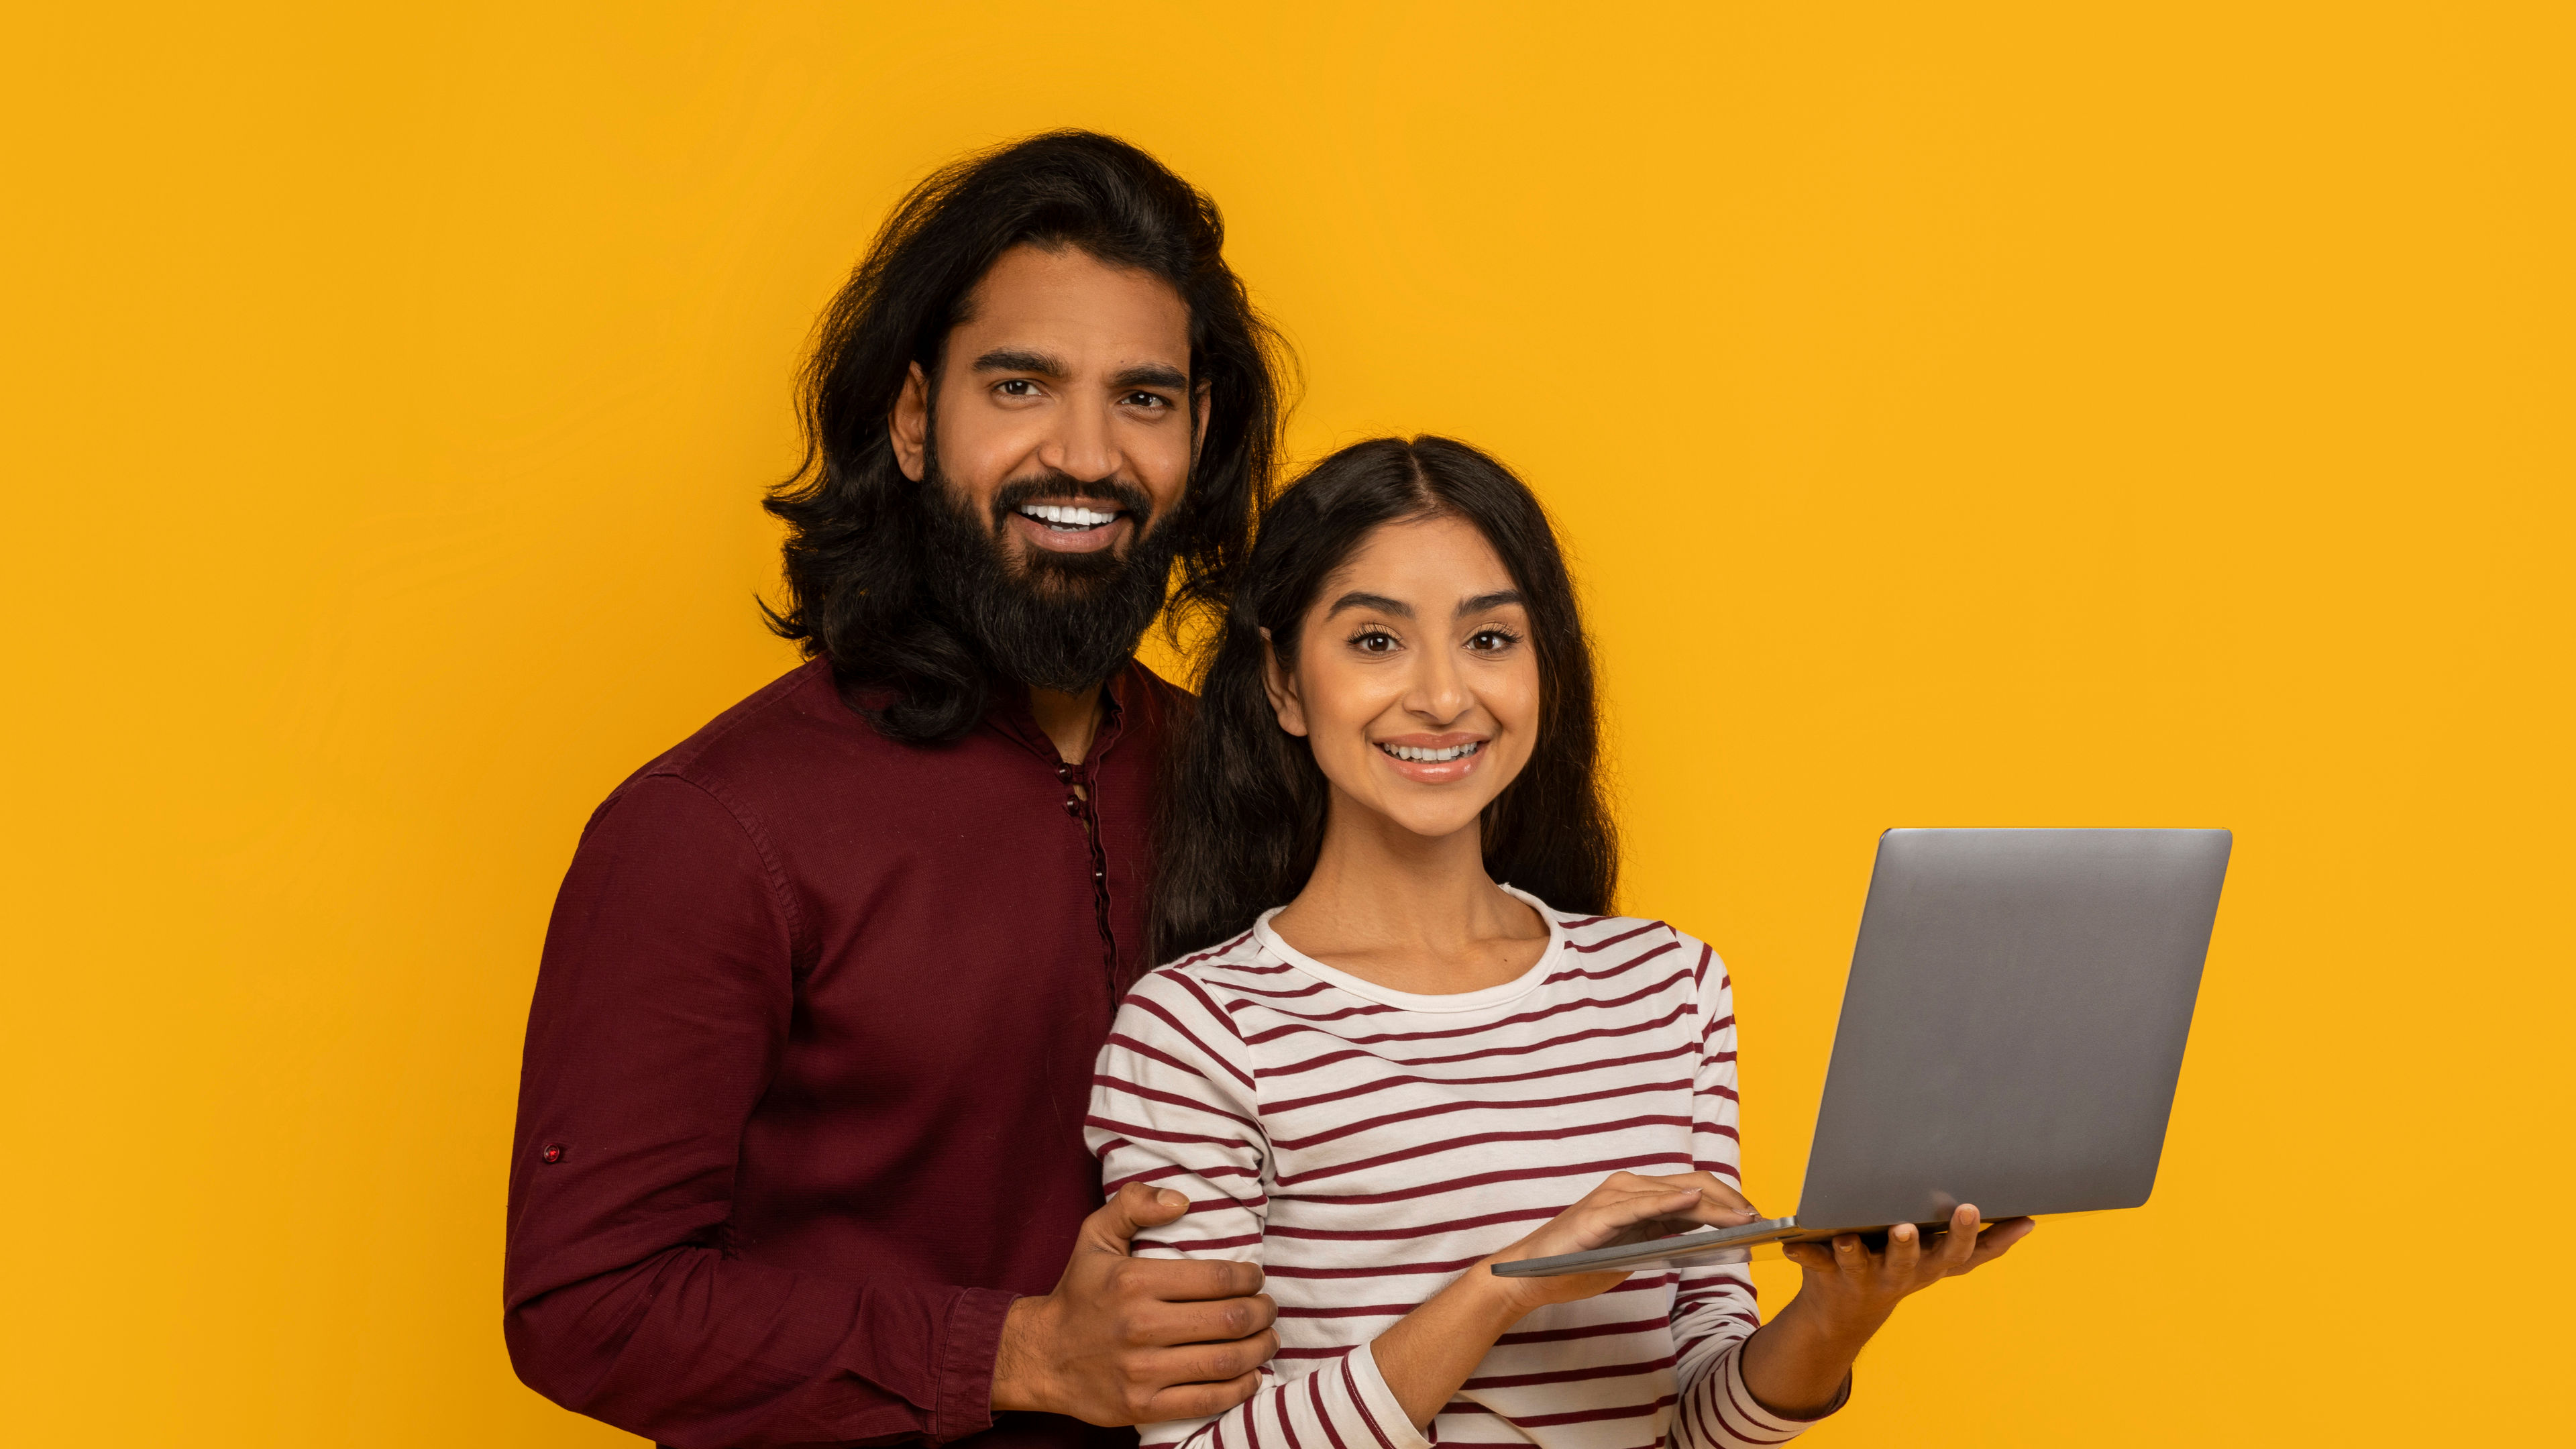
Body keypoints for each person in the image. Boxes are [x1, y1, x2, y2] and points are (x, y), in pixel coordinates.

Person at [506, 131, 1293, 1449]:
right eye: (1024, 385)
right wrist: (1020, 1353)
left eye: (1145, 398)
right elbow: (588, 1302)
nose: (1087, 456)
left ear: (1200, 433)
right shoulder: (711, 830)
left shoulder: (1257, 776)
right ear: (917, 419)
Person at [1089, 437, 2035, 1449]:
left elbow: (1695, 1419)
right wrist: (1509, 1286)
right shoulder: (1198, 1031)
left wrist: (1847, 1310)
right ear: (1283, 682)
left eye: (1490, 640)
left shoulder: (1669, 989)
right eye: (1376, 641)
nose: (1445, 698)